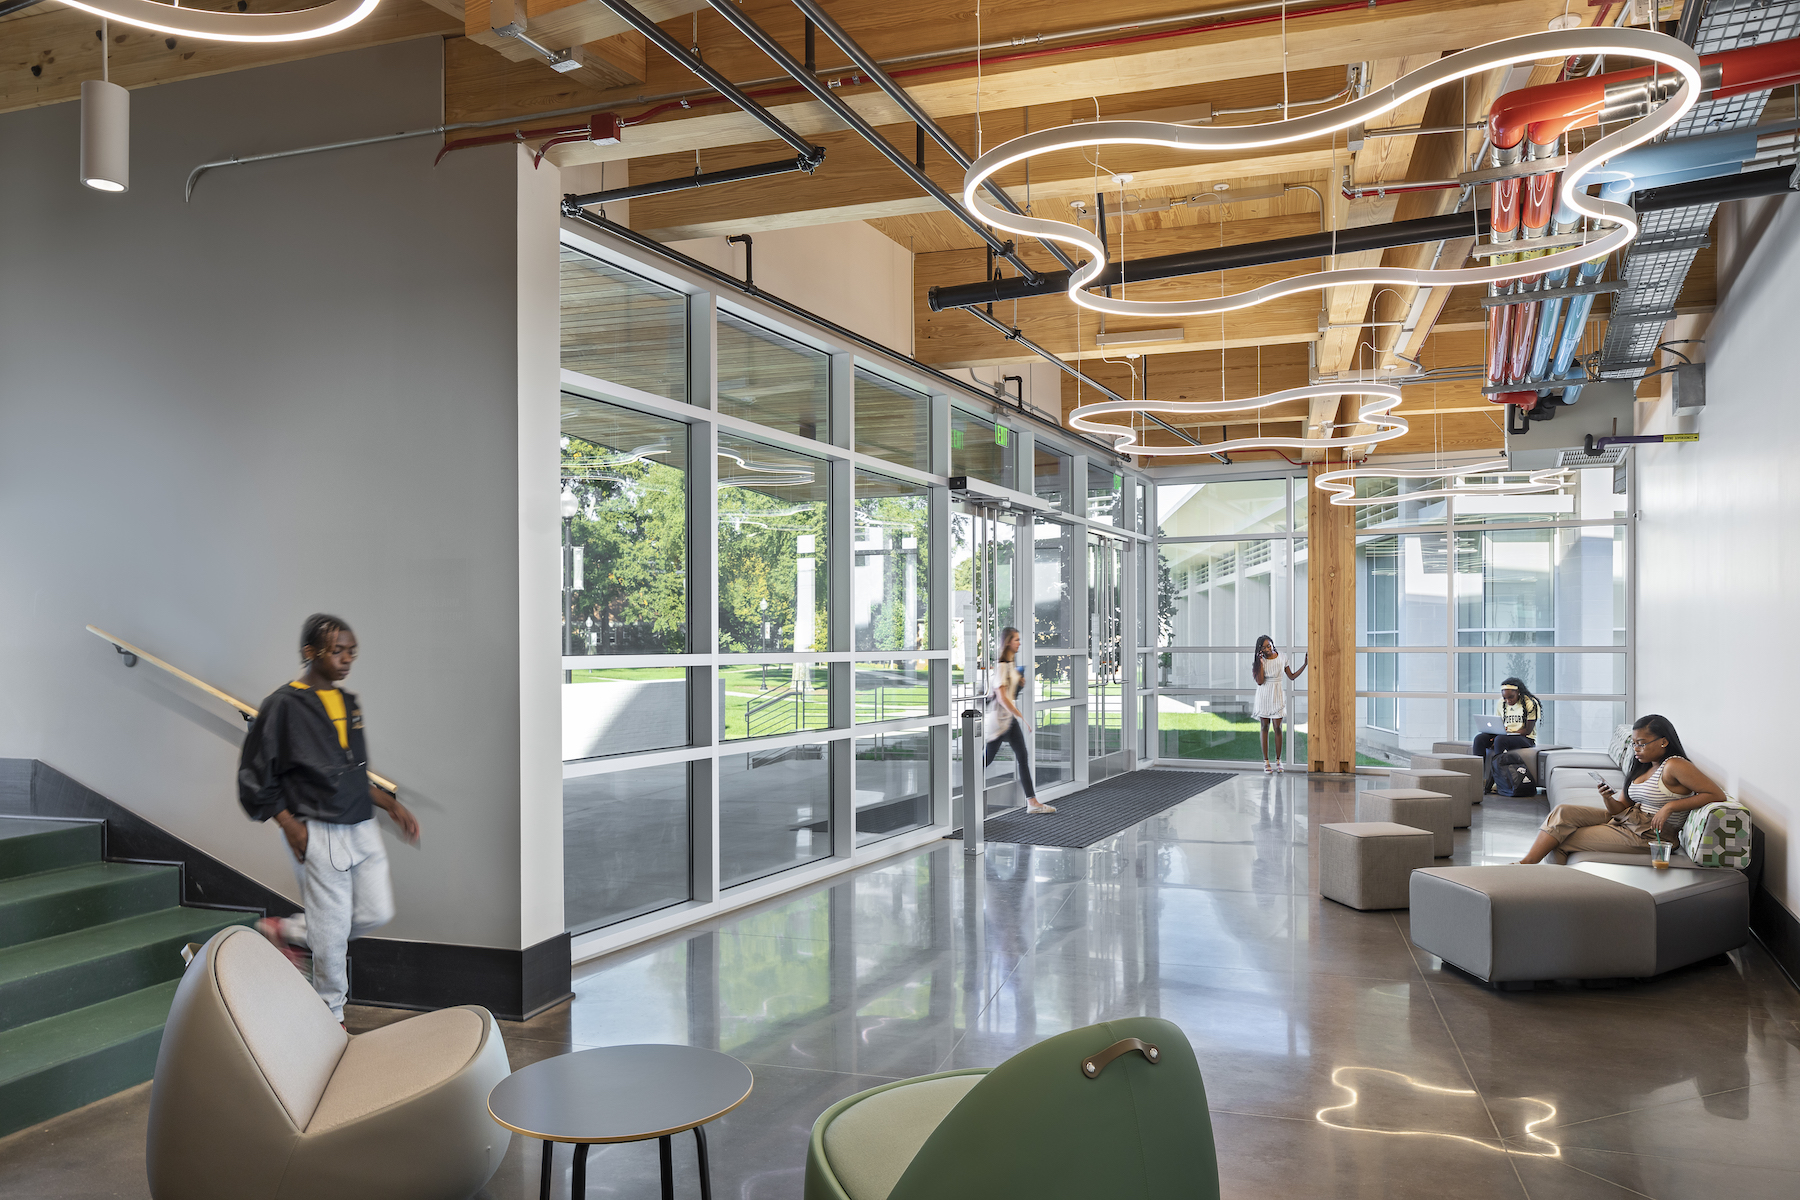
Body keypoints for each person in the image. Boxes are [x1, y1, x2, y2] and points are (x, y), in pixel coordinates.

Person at [238, 613, 420, 1023]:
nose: (346, 659)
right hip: (317, 829)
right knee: (333, 933)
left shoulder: (349, 703)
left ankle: (291, 932)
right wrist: (289, 824)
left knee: (376, 912)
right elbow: (255, 777)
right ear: (309, 652)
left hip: (361, 825)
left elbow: (349, 774)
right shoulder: (282, 706)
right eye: (337, 650)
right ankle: (330, 1017)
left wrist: (389, 804)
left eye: (351, 652)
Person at [1515, 714, 1724, 864]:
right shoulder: (1644, 766)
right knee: (1563, 812)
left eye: (1641, 743)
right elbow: (1619, 808)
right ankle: (1527, 864)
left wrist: (1670, 807)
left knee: (1562, 840)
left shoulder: (1674, 765)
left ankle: (1541, 885)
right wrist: (1607, 797)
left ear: (1664, 742)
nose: (1636, 749)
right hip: (1628, 820)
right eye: (1634, 744)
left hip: (1650, 836)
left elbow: (1716, 794)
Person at [985, 627, 1054, 814]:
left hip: (1008, 720)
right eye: (1016, 639)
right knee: (987, 760)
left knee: (1023, 757)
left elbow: (1010, 693)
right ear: (1008, 642)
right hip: (1000, 721)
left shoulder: (1010, 663)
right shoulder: (1001, 665)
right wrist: (1021, 716)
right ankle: (968, 783)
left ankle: (1032, 803)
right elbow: (1001, 697)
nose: (1019, 643)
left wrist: (1019, 684)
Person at [1472, 676, 1541, 793]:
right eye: (1505, 698)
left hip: (1525, 739)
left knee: (1500, 740)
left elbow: (1527, 731)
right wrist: (1496, 733)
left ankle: (1497, 781)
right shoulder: (1501, 703)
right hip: (1505, 735)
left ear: (1518, 692)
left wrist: (1506, 735)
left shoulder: (1530, 703)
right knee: (1479, 739)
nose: (1508, 701)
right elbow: (1499, 724)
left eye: (1511, 697)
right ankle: (1477, 779)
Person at [1250, 635, 1306, 774]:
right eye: (1265, 647)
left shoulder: (1282, 657)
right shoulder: (1259, 661)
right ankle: (1266, 761)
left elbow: (1291, 676)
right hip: (1264, 694)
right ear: (1260, 649)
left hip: (1277, 693)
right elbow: (1260, 681)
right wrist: (1260, 662)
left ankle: (1279, 760)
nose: (1269, 648)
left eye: (1270, 645)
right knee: (1264, 726)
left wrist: (1305, 664)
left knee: (1278, 727)